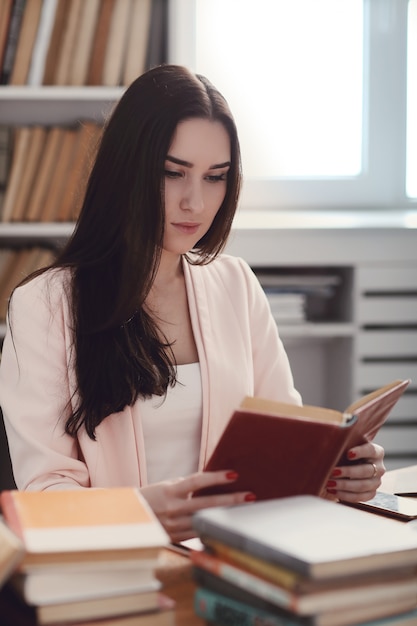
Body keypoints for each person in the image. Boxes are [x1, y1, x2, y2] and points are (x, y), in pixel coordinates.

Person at [0, 65, 384, 542]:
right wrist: (142, 513)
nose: (195, 203)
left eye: (215, 177)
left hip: (237, 559)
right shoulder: (44, 305)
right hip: (123, 571)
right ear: (127, 169)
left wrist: (336, 473)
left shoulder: (236, 284)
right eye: (172, 173)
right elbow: (44, 494)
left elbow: (284, 442)